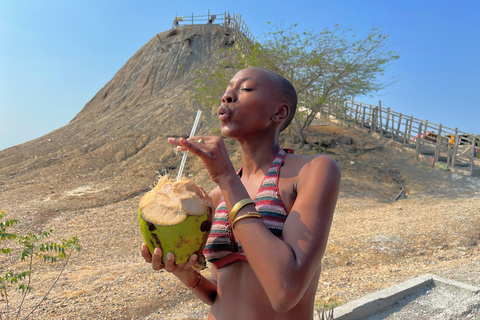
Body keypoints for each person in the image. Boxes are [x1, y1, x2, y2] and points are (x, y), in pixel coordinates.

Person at [141, 67, 341, 319]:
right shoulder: (215, 196)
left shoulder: (313, 170)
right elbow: (221, 295)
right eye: (226, 93)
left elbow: (285, 291)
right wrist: (186, 274)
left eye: (245, 89)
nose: (227, 97)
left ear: (279, 112)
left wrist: (226, 177)